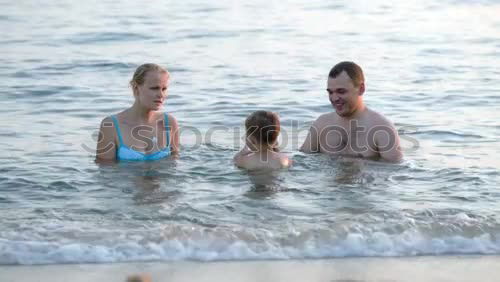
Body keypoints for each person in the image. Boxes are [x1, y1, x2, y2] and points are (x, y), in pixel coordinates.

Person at [300, 61, 402, 162]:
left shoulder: (382, 128)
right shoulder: (321, 124)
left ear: (361, 89)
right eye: (330, 92)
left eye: (341, 91)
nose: (334, 98)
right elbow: (302, 162)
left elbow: (396, 171)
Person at [96, 63, 179, 162]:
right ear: (136, 88)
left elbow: (175, 165)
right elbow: (105, 172)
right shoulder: (111, 125)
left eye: (164, 89)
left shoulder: (169, 122)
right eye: (154, 88)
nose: (161, 95)